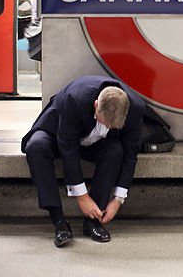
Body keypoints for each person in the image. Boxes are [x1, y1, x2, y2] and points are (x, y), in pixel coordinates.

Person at [21, 76, 145, 247]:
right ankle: (59, 221)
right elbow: (68, 147)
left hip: (95, 143)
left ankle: (93, 221)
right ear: (96, 106)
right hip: (59, 133)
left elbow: (131, 155)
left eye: (112, 126)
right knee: (36, 147)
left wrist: (118, 200)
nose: (107, 128)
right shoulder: (75, 99)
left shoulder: (136, 109)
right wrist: (82, 197)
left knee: (115, 151)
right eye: (104, 123)